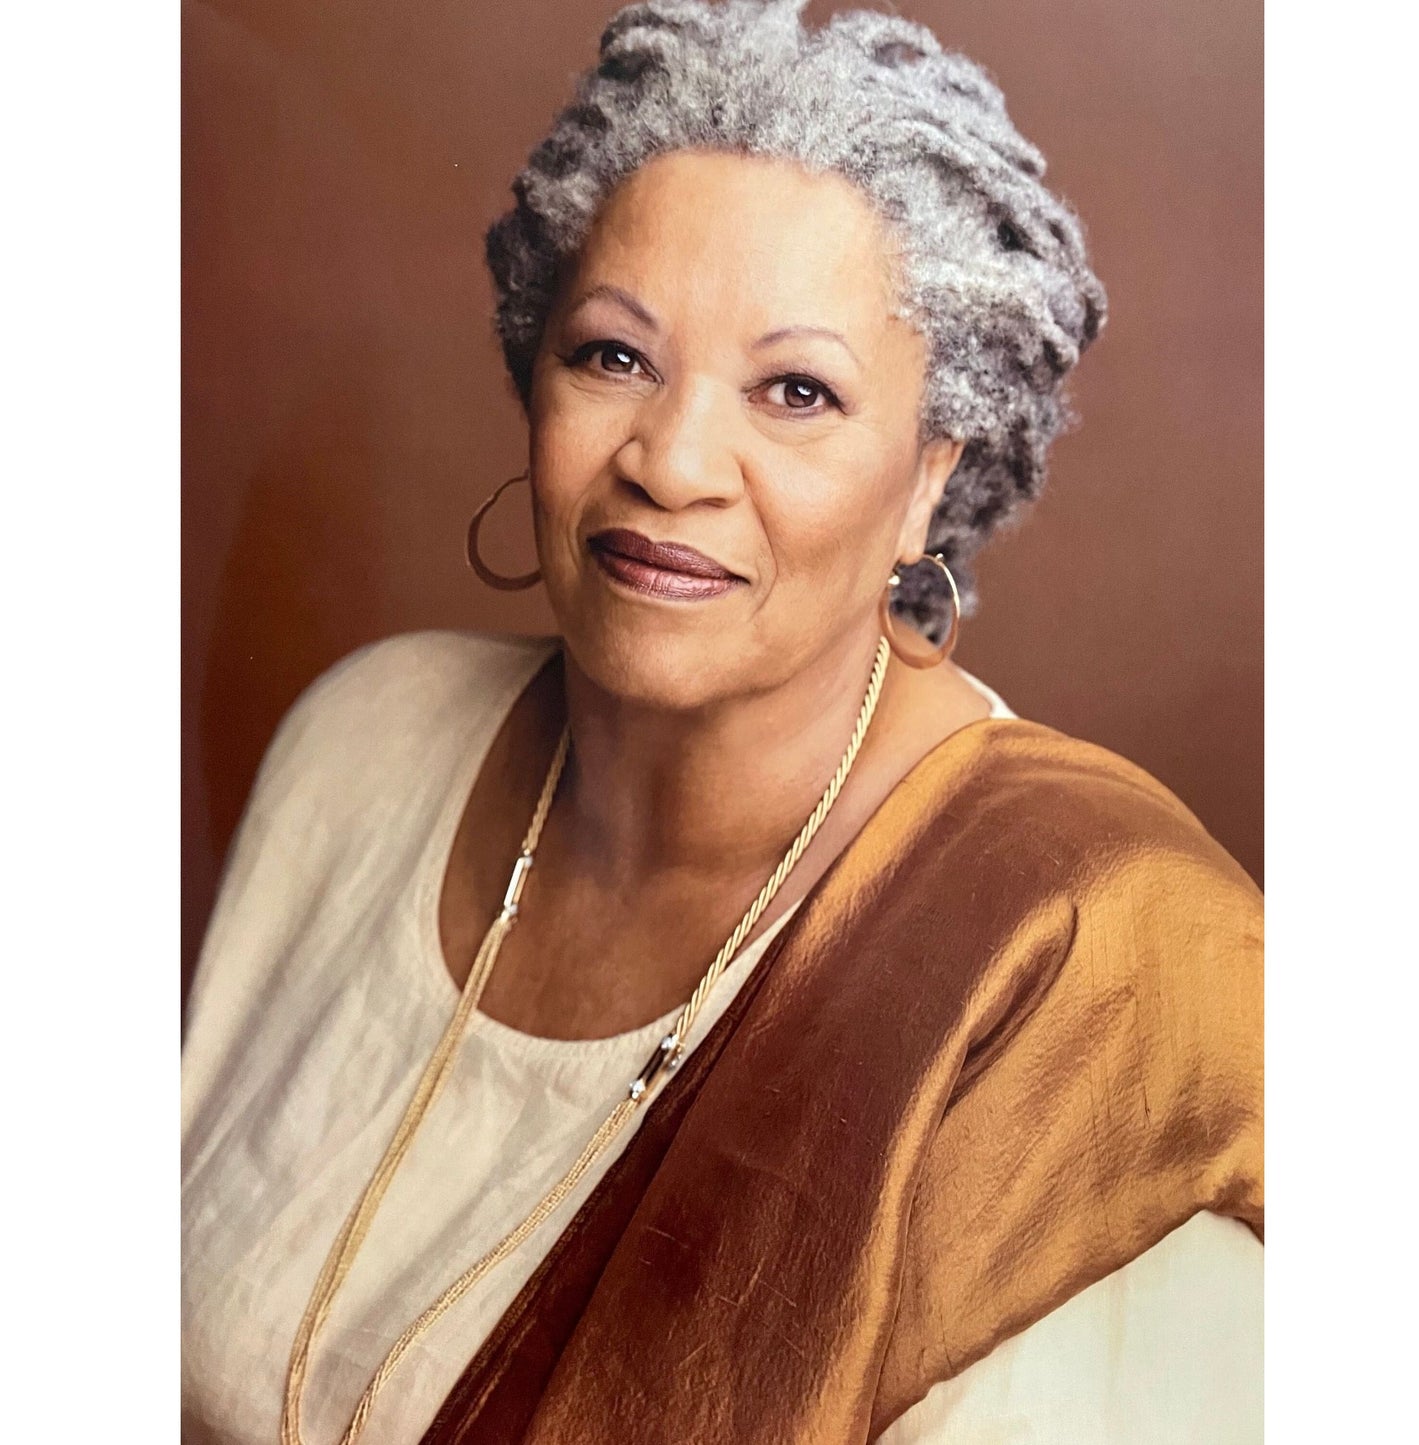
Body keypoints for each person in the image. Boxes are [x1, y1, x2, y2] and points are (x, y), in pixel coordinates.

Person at [181, 2, 1263, 1442]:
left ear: (931, 474)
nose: (673, 460)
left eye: (796, 390)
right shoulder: (361, 743)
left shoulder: (1081, 960)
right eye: (612, 356)